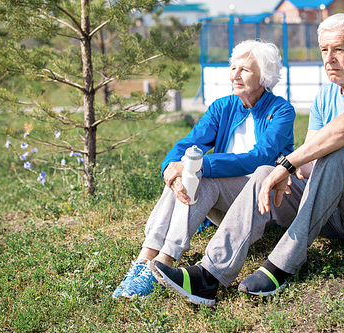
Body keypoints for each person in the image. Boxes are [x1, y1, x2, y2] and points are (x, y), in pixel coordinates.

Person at [150, 13, 344, 307]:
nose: (329, 59)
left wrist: (287, 164)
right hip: (331, 213)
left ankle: (280, 265)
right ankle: (210, 276)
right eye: (324, 50)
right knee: (265, 172)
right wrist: (289, 169)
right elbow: (310, 159)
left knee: (337, 150)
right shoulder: (324, 96)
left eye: (338, 49)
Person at [112, 40, 296, 299]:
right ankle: (145, 260)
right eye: (233, 67)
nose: (235, 74)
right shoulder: (223, 107)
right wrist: (171, 170)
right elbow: (188, 144)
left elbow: (261, 158)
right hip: (224, 206)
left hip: (259, 207)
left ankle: (161, 263)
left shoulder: (281, 111)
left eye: (245, 69)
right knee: (188, 173)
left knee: (202, 175)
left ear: (264, 75)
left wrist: (195, 167)